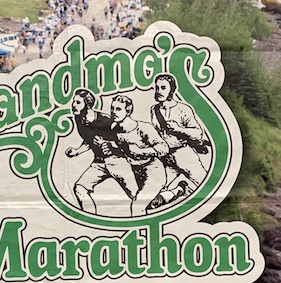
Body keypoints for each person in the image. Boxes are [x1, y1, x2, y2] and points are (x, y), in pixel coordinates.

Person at [64, 88, 136, 215]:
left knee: (138, 196)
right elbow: (89, 139)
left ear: (88, 105)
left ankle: (175, 193)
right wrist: (77, 151)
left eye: (78, 102)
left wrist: (109, 144)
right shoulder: (79, 119)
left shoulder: (106, 121)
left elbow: (126, 141)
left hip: (118, 161)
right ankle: (90, 218)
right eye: (73, 102)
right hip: (99, 163)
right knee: (80, 188)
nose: (73, 105)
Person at [148, 73, 211, 209]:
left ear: (172, 89)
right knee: (154, 192)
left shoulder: (183, 109)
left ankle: (182, 189)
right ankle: (178, 191)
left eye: (163, 88)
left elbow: (198, 133)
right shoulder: (154, 109)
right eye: (157, 88)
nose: (159, 91)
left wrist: (177, 129)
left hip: (183, 154)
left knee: (206, 189)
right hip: (165, 156)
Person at [108, 93, 169, 216]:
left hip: (153, 170)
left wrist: (141, 151)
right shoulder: (114, 128)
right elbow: (124, 150)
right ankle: (177, 190)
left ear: (128, 111)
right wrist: (111, 147)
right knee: (151, 204)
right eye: (112, 108)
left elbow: (164, 148)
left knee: (137, 206)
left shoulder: (143, 128)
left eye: (118, 109)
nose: (114, 112)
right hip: (136, 172)